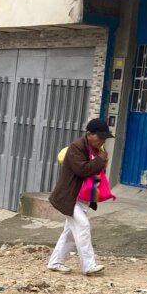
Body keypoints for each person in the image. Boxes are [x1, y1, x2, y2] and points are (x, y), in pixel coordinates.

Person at [47, 118, 112, 276]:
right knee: (82, 226)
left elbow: (97, 171)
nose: (103, 140)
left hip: (83, 197)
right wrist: (100, 159)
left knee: (70, 233)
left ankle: (55, 262)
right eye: (100, 137)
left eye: (104, 138)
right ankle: (88, 265)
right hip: (69, 197)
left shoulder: (96, 149)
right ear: (89, 134)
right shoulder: (76, 148)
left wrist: (102, 160)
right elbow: (82, 170)